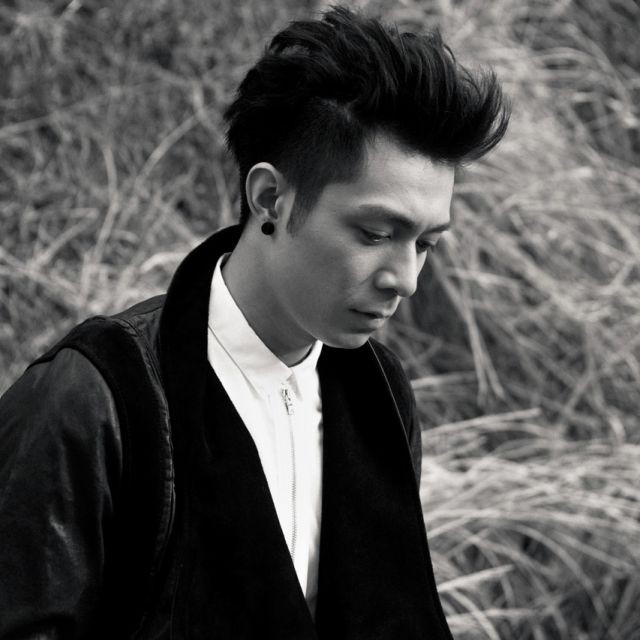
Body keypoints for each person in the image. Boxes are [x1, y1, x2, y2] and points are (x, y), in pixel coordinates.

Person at [0, 6, 509, 639]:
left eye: (426, 243)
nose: (405, 279)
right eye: (376, 233)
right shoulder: (94, 400)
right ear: (270, 197)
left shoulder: (379, 394)